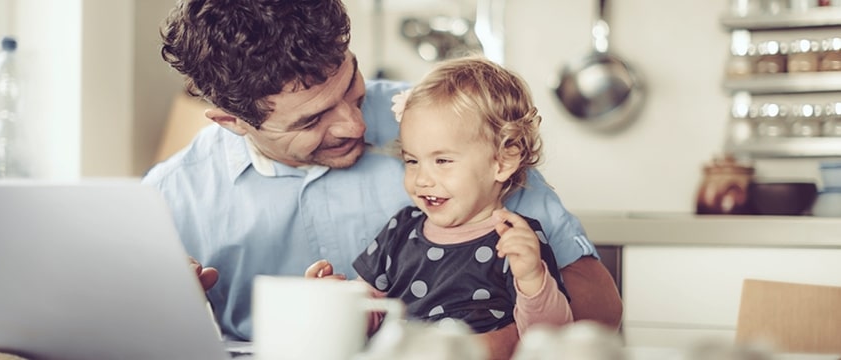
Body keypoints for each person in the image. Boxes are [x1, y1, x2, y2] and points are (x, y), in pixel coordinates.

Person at [145, 0, 621, 357]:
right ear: (232, 121)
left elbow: (600, 308)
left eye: (352, 86)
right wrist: (165, 312)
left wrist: (483, 346)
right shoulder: (170, 199)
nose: (355, 125)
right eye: (311, 122)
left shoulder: (449, 124)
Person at [305, 56, 574, 338]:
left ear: (503, 162)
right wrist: (332, 302)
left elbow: (549, 340)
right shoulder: (400, 230)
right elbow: (367, 315)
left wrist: (532, 279)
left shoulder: (516, 240)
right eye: (411, 161)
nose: (422, 179)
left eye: (443, 161)